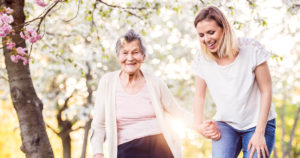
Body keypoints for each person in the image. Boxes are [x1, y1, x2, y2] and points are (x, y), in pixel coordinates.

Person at [90, 29, 194, 158]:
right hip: (126, 147)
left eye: (135, 52)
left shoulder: (155, 83)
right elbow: (98, 125)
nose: (130, 58)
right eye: (125, 53)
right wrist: (97, 153)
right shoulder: (107, 82)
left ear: (143, 56)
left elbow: (178, 112)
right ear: (118, 56)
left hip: (159, 144)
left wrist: (202, 126)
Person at [191, 6, 277, 158]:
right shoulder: (201, 59)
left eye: (211, 32)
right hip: (226, 124)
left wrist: (259, 133)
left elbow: (266, 89)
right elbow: (199, 96)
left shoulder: (251, 49)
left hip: (258, 123)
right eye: (201, 35)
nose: (207, 39)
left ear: (224, 28)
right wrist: (199, 126)